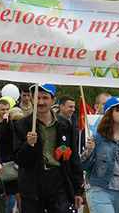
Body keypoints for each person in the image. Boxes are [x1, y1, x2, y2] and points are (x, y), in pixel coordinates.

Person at [13, 83, 84, 212]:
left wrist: (78, 190)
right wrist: (28, 145)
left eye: (45, 98)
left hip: (58, 179)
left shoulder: (64, 124)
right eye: (37, 98)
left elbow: (73, 158)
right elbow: (19, 160)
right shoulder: (22, 125)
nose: (40, 102)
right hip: (33, 181)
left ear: (53, 101)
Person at [0, 107, 24, 213]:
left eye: (19, 121)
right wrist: (5, 121)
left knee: (20, 196)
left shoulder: (22, 130)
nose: (16, 123)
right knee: (4, 197)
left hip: (17, 166)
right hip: (5, 166)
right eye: (14, 121)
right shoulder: (3, 129)